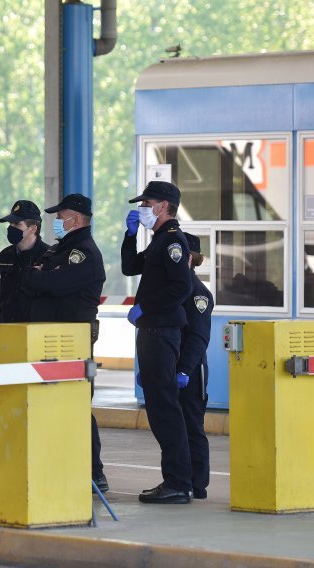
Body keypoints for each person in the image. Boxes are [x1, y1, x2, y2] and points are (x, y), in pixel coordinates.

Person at [20, 194, 107, 491]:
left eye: (61, 216)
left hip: (72, 338)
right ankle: (63, 465)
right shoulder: (62, 249)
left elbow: (52, 284)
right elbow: (32, 281)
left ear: (78, 219)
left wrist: (42, 277)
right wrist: (40, 276)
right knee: (54, 404)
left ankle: (94, 473)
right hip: (51, 337)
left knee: (77, 404)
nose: (56, 221)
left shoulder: (83, 252)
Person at [121, 180, 193, 504]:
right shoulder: (158, 241)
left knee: (165, 409)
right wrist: (130, 235)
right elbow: (128, 267)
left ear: (163, 206)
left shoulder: (173, 242)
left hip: (162, 332)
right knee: (159, 408)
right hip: (153, 333)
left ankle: (178, 482)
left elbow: (182, 288)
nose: (142, 209)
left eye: (147, 204)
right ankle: (175, 480)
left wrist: (146, 307)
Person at [0, 200, 48, 354]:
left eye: (17, 225)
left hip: (34, 338)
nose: (11, 229)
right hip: (4, 334)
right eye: (10, 225)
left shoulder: (48, 257)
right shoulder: (5, 256)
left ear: (32, 228)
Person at [178, 232, 213, 500]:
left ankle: (197, 483)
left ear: (189, 258)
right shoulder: (175, 290)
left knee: (192, 425)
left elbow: (198, 339)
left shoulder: (198, 295)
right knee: (175, 426)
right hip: (171, 366)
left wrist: (184, 370)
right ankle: (179, 477)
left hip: (190, 371)